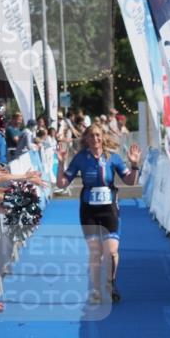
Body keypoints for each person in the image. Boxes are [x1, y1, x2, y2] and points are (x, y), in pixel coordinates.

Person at [56, 123, 141, 304]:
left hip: (109, 209)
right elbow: (62, 184)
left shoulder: (114, 158)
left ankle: (110, 285)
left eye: (98, 135)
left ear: (103, 137)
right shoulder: (80, 158)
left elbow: (130, 182)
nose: (95, 138)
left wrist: (134, 165)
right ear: (86, 139)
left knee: (111, 252)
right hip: (89, 209)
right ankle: (95, 291)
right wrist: (61, 163)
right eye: (92, 135)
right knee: (95, 253)